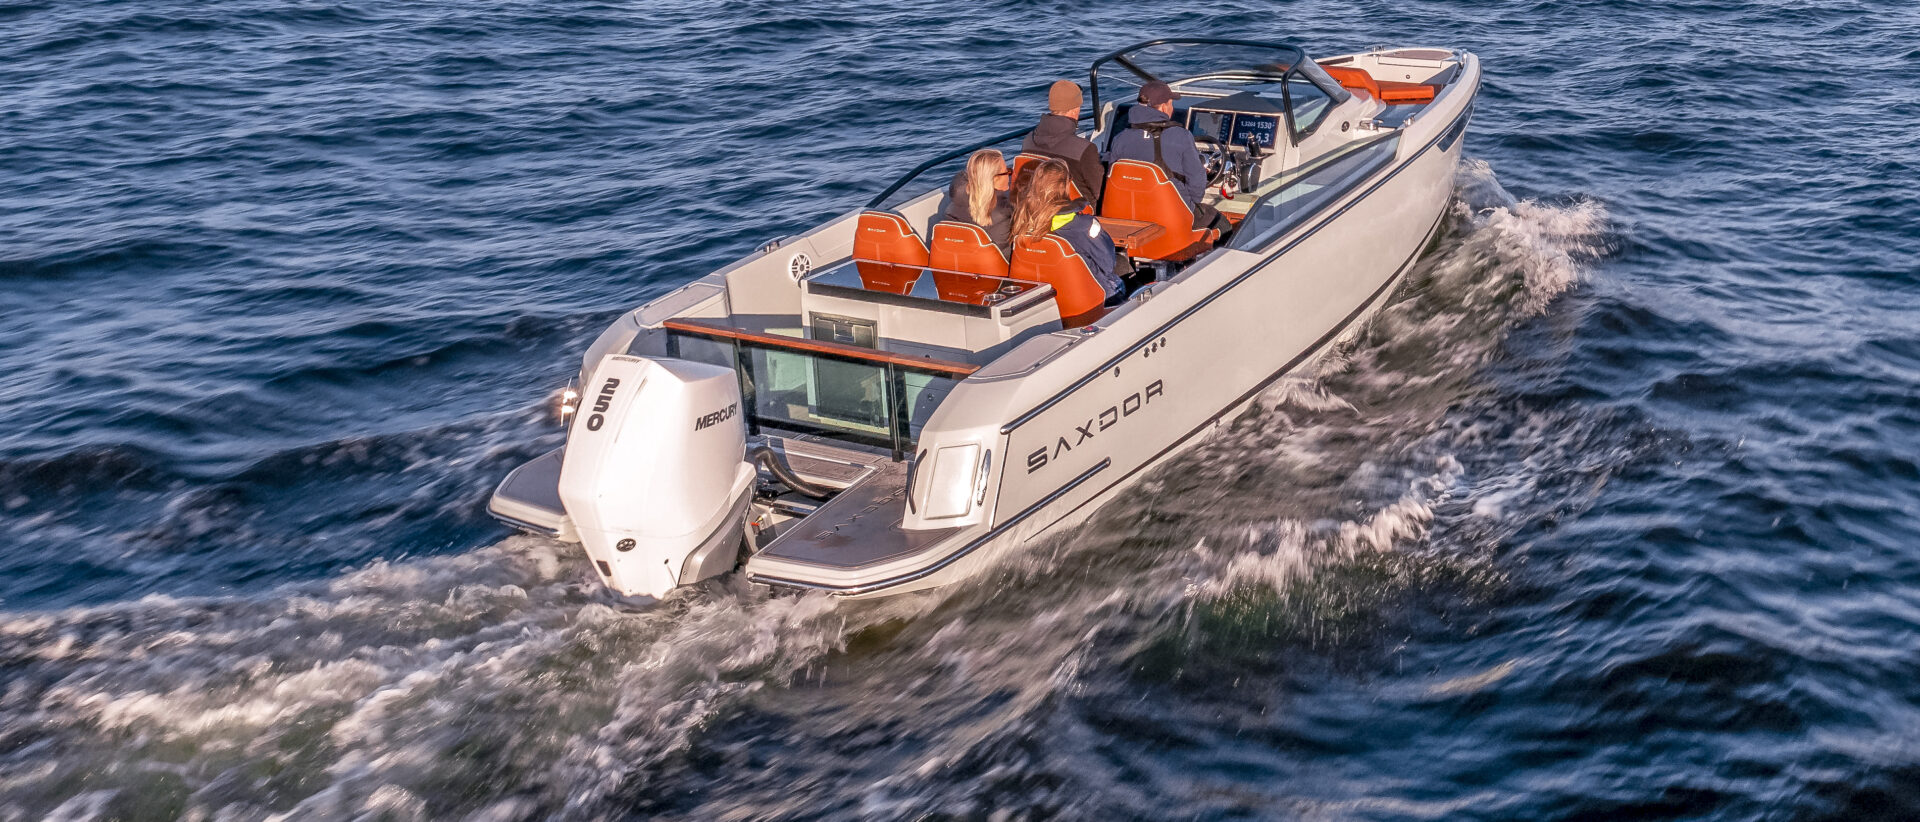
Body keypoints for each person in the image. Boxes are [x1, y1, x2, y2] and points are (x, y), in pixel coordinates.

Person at [1105, 80, 1232, 236]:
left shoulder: (1120, 138)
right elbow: (1197, 181)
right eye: (1171, 103)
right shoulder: (1181, 136)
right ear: (1164, 107)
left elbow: (1113, 175)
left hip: (1128, 212)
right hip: (1171, 215)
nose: (1172, 108)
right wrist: (1191, 203)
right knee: (1221, 223)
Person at [1010, 159, 1121, 304]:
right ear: (1066, 185)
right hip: (1089, 297)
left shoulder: (1021, 222)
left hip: (1041, 298)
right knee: (1125, 266)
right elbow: (1108, 264)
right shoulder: (1085, 225)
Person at [1021, 80, 1104, 206]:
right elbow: (1099, 192)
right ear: (1075, 109)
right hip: (1077, 212)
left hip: (1038, 207)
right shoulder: (1085, 149)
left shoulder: (1028, 140)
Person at [942, 148, 1014, 252]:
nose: (1009, 175)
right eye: (1007, 171)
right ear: (994, 178)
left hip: (959, 257)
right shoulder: (1006, 209)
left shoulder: (956, 196)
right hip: (998, 261)